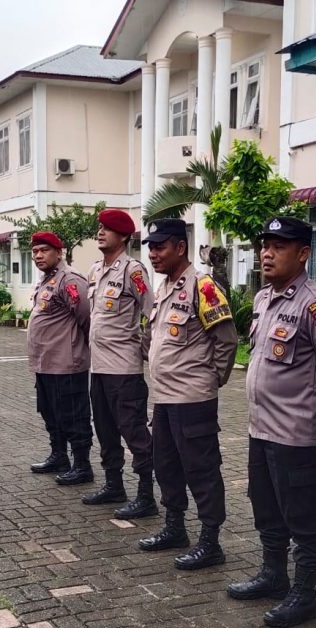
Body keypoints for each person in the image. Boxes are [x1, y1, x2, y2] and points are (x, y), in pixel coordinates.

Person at [227, 216, 316, 628]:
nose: (267, 252)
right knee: (266, 507)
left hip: (296, 433)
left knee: (304, 516)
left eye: (278, 246)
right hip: (260, 429)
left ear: (303, 253)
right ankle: (273, 574)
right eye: (265, 244)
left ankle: (305, 593)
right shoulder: (264, 299)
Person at [138, 218, 238, 569]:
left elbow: (226, 341)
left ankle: (210, 543)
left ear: (180, 247)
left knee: (202, 470)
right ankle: (175, 528)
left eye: (160, 246)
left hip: (193, 399)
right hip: (164, 398)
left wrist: (210, 381)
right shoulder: (164, 287)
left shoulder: (203, 286)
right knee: (165, 465)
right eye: (150, 247)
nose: (153, 253)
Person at [81, 208, 158, 519]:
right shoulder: (96, 270)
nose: (100, 232)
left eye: (108, 228)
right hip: (98, 368)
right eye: (99, 227)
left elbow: (150, 313)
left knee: (134, 432)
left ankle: (146, 496)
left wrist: (140, 349)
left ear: (124, 236)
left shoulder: (133, 271)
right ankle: (114, 485)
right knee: (105, 430)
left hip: (123, 369)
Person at [26, 230, 93, 486]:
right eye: (35, 252)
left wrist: (81, 349)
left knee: (74, 416)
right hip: (45, 363)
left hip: (67, 364)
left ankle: (82, 465)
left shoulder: (70, 280)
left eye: (44, 250)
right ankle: (59, 456)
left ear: (58, 252)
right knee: (50, 412)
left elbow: (86, 318)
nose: (38, 255)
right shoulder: (47, 280)